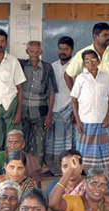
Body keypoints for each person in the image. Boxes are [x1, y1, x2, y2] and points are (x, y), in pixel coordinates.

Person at [65, 23, 109, 189]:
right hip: (86, 113)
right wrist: (81, 97)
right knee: (87, 148)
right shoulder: (83, 54)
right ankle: (86, 182)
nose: (108, 37)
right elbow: (68, 74)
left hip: (108, 110)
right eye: (105, 35)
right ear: (95, 36)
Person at [70, 49, 109, 191]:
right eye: (87, 61)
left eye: (93, 59)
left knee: (105, 157)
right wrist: (77, 120)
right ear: (84, 64)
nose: (90, 63)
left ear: (99, 61)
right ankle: (84, 187)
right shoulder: (80, 79)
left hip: (102, 123)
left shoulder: (105, 77)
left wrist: (108, 115)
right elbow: (74, 99)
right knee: (84, 157)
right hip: (85, 123)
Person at [19, 41, 57, 166]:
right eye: (32, 51)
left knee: (39, 145)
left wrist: (49, 115)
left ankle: (36, 171)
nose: (34, 54)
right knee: (21, 143)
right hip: (23, 111)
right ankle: (22, 170)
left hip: (40, 112)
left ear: (41, 52)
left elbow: (52, 92)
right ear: (27, 52)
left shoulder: (47, 67)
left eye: (37, 52)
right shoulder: (21, 65)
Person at [45, 36, 76, 176]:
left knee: (67, 142)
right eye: (60, 48)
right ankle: (54, 170)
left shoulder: (77, 67)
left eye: (66, 49)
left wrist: (75, 112)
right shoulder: (52, 66)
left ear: (72, 50)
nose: (63, 52)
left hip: (68, 109)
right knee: (52, 143)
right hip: (54, 109)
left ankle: (69, 171)